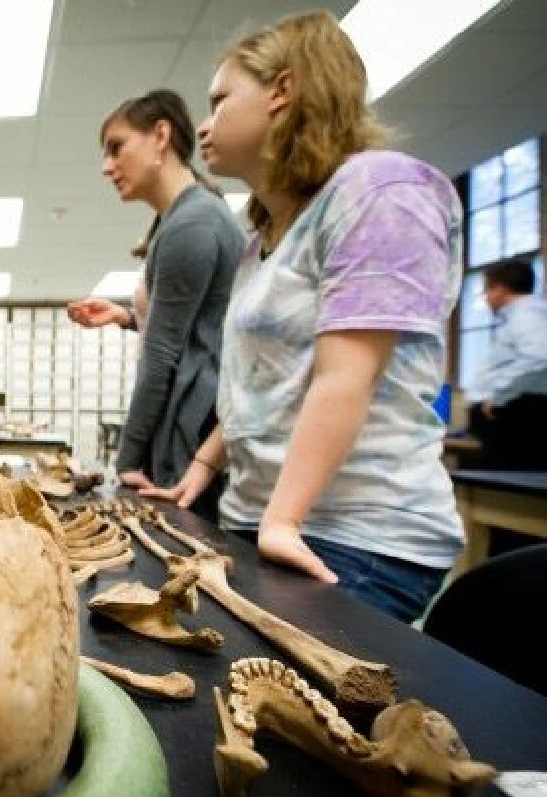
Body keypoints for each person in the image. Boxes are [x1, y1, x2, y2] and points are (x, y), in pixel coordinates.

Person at [144, 10, 464, 623]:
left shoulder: (379, 191)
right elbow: (261, 383)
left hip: (355, 536)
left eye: (220, 101)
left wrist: (283, 519)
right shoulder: (260, 239)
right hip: (264, 523)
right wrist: (204, 469)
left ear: (282, 91)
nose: (204, 126)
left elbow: (347, 375)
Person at [67, 90, 245, 518]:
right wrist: (127, 318)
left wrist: (126, 459)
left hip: (193, 431)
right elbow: (194, 321)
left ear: (160, 136)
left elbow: (164, 353)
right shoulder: (179, 219)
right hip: (193, 425)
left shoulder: (193, 222)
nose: (107, 166)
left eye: (117, 147)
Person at [466, 259, 547, 470]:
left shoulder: (526, 314)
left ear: (500, 289)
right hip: (513, 415)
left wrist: (497, 395)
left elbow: (539, 356)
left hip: (516, 418)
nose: (486, 298)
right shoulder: (523, 316)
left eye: (487, 291)